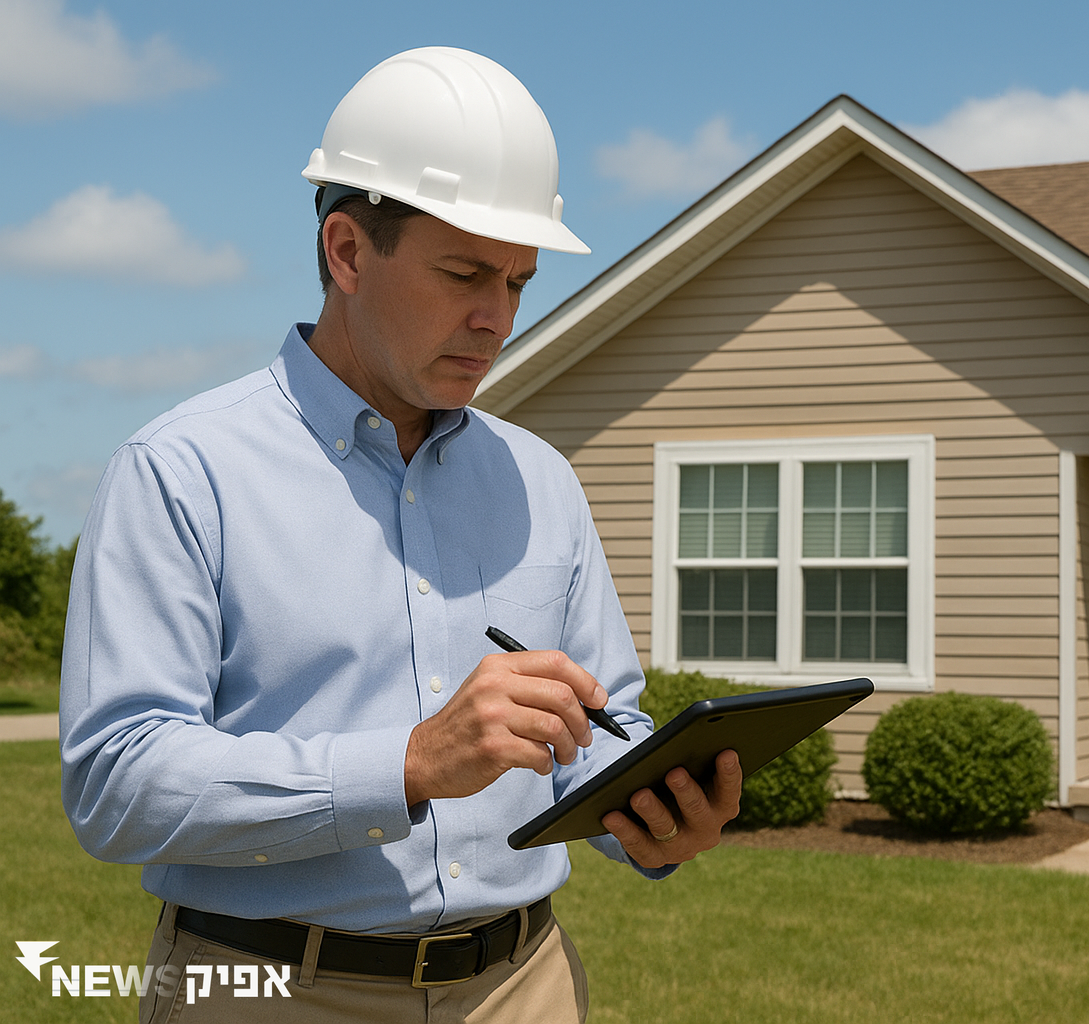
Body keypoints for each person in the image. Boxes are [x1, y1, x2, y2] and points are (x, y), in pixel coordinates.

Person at [58, 46, 740, 1024]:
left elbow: (596, 728)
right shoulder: (179, 471)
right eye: (465, 273)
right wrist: (408, 762)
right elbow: (118, 782)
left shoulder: (543, 481)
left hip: (525, 986)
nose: (495, 317)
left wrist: (649, 817)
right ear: (346, 252)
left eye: (517, 281)